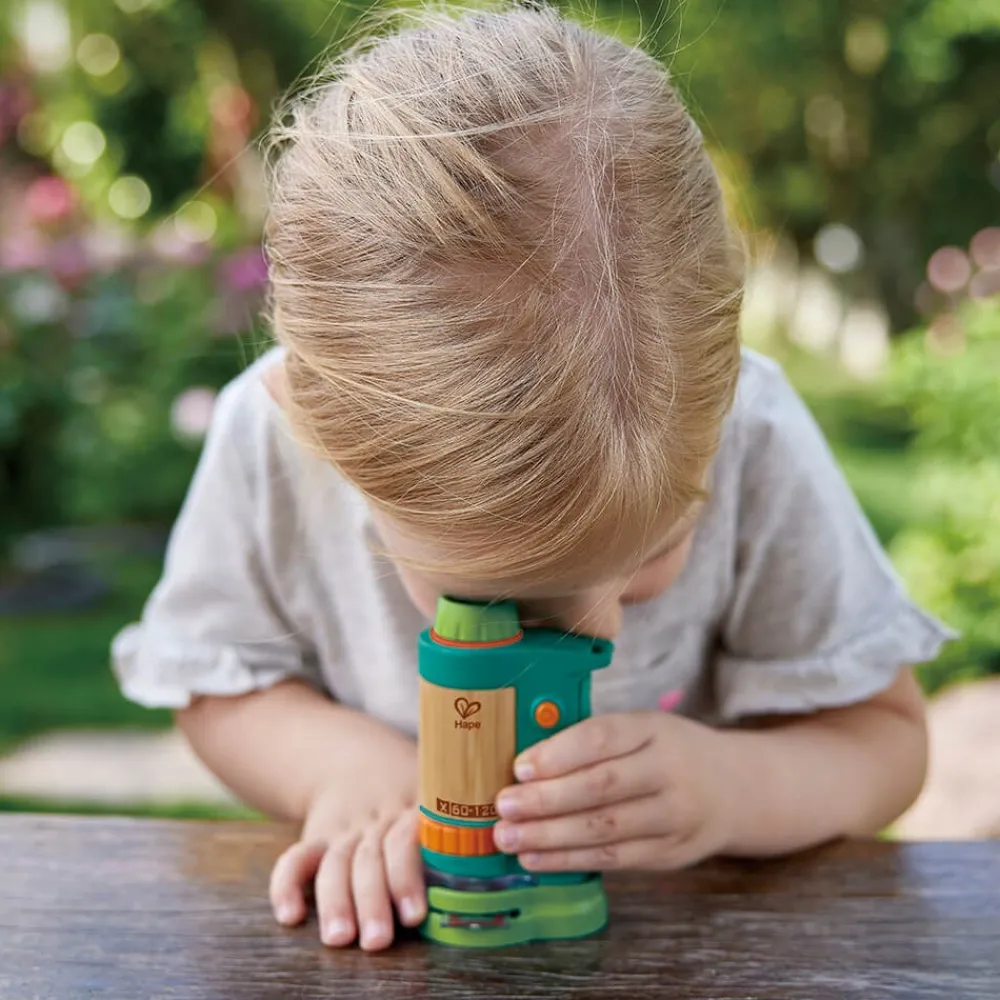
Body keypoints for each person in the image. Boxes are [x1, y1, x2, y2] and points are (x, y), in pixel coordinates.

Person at [111, 4, 952, 953]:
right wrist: (341, 771)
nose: (605, 626)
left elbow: (886, 740)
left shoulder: (750, 434)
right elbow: (217, 685)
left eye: (654, 553)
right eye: (488, 600)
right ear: (333, 443)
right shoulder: (273, 441)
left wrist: (734, 791)